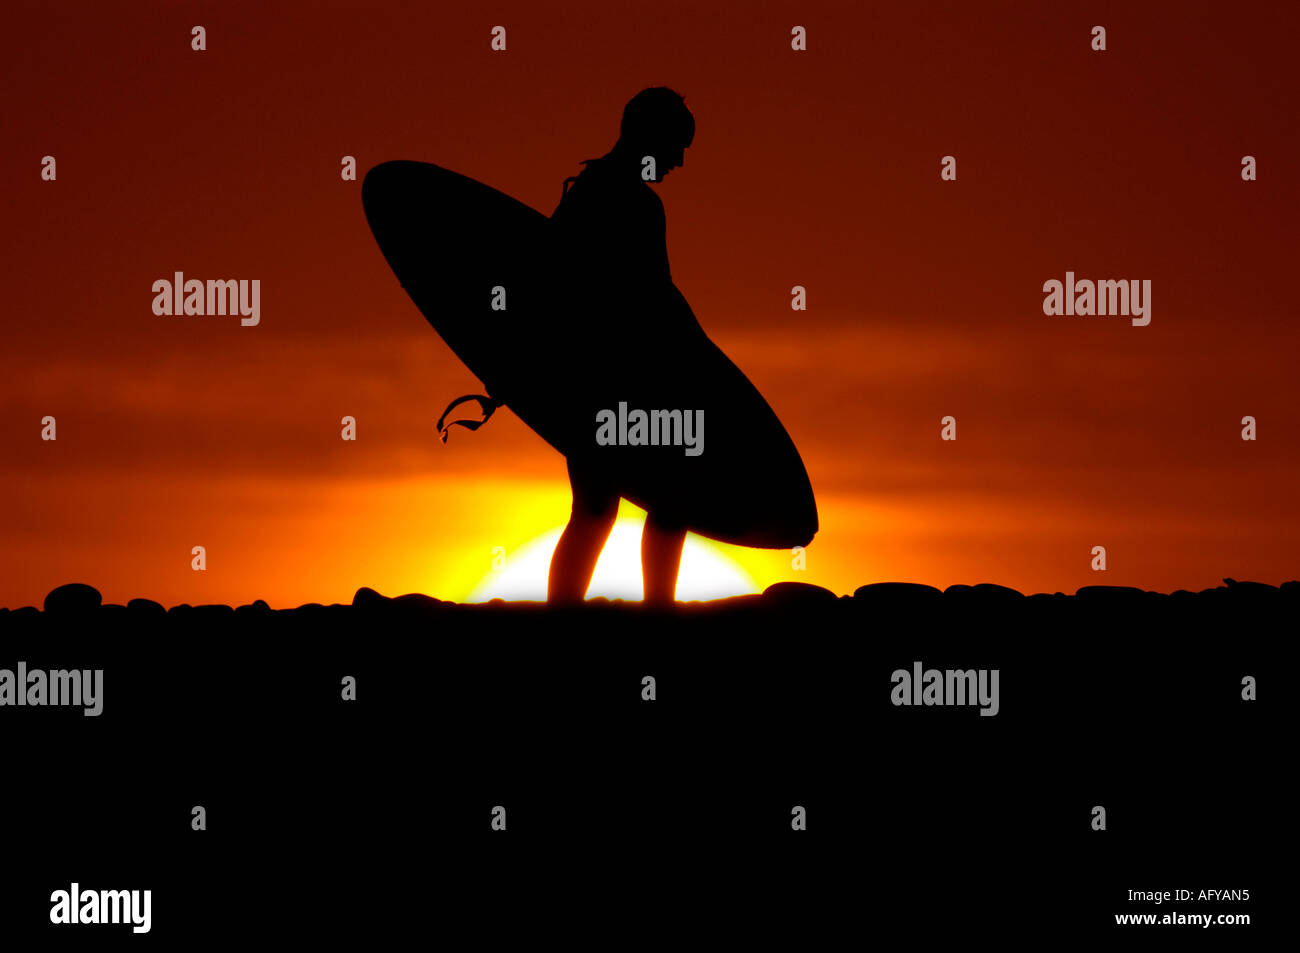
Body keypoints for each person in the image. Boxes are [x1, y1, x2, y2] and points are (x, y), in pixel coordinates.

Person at [547, 87, 695, 605]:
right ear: (649, 138)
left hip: (586, 381)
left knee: (596, 507)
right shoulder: (631, 203)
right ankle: (657, 613)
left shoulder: (583, 193)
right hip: (618, 379)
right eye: (676, 146)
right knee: (666, 499)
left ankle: (563, 619)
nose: (678, 161)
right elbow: (656, 297)